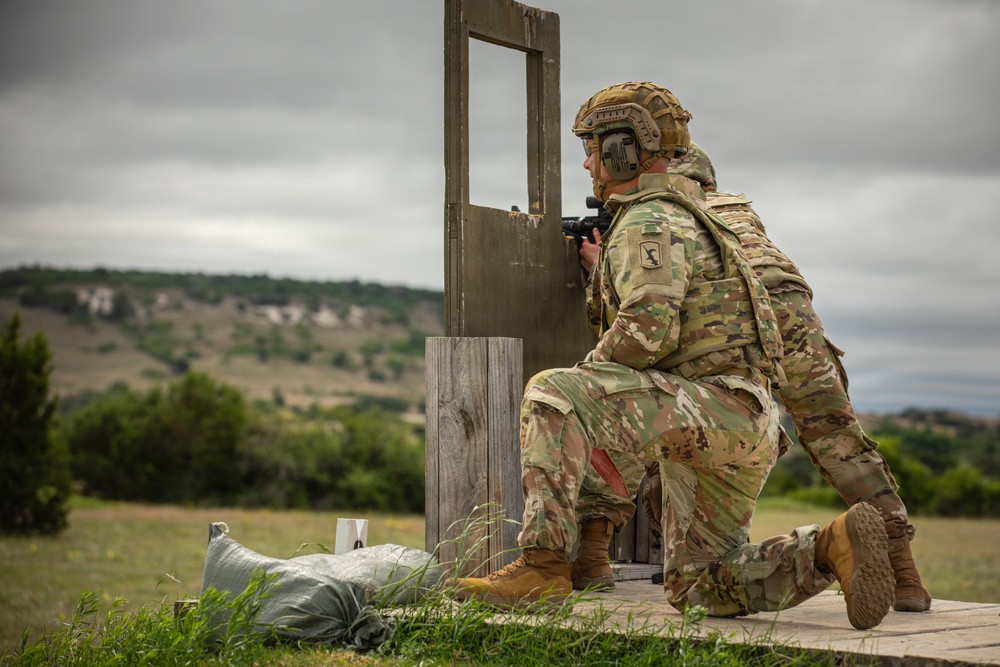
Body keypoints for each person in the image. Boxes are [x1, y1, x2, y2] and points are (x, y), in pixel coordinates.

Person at [455, 81, 895, 631]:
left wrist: (586, 388)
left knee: (554, 391)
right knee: (699, 585)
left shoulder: (649, 218)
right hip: (741, 423)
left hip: (713, 411)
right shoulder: (690, 215)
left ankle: (542, 566)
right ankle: (829, 548)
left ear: (626, 149)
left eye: (594, 148)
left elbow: (648, 332)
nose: (589, 163)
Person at [633, 144, 932, 613]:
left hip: (731, 328)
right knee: (839, 439)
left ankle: (705, 555)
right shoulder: (738, 210)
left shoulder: (660, 217)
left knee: (686, 427)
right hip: (794, 312)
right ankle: (908, 578)